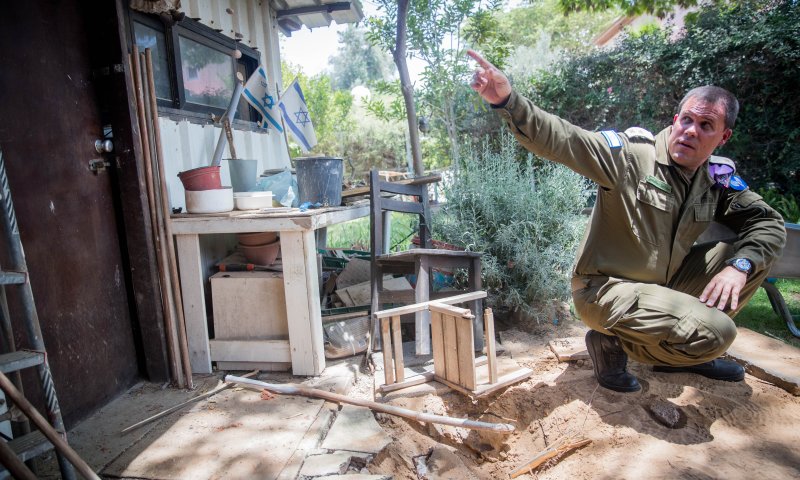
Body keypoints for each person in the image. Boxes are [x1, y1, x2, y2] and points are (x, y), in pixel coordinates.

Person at [467, 49, 787, 392]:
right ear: (675, 118)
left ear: (723, 137)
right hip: (605, 290)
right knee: (719, 332)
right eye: (687, 120)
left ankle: (684, 351)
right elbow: (564, 139)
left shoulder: (716, 178)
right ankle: (616, 344)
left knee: (743, 255)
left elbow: (770, 223)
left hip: (661, 287)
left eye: (706, 125)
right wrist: (508, 101)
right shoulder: (633, 156)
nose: (691, 131)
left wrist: (739, 266)